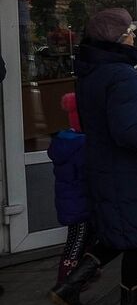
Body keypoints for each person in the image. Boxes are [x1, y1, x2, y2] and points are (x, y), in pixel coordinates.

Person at [49, 8, 137, 305]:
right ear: (119, 39)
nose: (134, 37)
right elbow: (128, 131)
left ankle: (70, 286)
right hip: (129, 170)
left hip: (107, 166)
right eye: (130, 32)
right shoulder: (122, 75)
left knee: (119, 232)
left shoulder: (92, 72)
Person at [49, 93, 93, 286]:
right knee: (77, 240)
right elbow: (88, 173)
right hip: (78, 203)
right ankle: (66, 281)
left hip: (73, 201)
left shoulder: (66, 141)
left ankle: (82, 274)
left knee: (83, 238)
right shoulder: (81, 145)